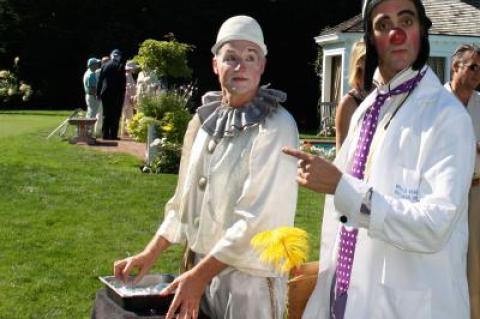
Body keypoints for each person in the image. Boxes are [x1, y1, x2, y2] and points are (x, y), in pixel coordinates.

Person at [283, 0, 476, 318]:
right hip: (346, 293)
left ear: (422, 31)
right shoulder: (368, 108)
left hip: (408, 305)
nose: (396, 33)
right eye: (383, 25)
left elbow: (435, 225)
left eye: (406, 21)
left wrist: (341, 187)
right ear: (371, 40)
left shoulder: (448, 117)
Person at [113, 15, 298, 319]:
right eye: (231, 57)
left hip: (246, 286)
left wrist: (199, 276)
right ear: (215, 65)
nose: (240, 66)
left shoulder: (276, 126)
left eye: (251, 57)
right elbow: (182, 202)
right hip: (196, 272)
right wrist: (151, 252)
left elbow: (256, 219)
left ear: (262, 66)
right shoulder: (202, 121)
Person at [444, 43, 480, 319]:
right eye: (473, 67)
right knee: (444, 259)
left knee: (475, 264)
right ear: (455, 67)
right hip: (443, 196)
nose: (478, 73)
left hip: (476, 193)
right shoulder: (435, 104)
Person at [335, 41, 367, 150]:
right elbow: (341, 151)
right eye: (367, 58)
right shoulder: (348, 103)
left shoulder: (385, 96)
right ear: (358, 62)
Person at [96, 49, 126, 140]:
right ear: (119, 57)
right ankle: (113, 135)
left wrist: (98, 93)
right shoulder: (120, 66)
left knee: (106, 114)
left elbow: (100, 81)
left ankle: (105, 135)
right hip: (116, 94)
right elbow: (122, 83)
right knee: (115, 115)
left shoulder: (104, 65)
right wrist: (123, 94)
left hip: (105, 93)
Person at [120, 60, 139, 137]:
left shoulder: (129, 75)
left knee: (127, 115)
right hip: (127, 99)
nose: (135, 69)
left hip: (128, 99)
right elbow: (127, 89)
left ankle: (126, 131)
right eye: (134, 68)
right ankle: (126, 132)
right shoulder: (127, 76)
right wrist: (131, 97)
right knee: (127, 115)